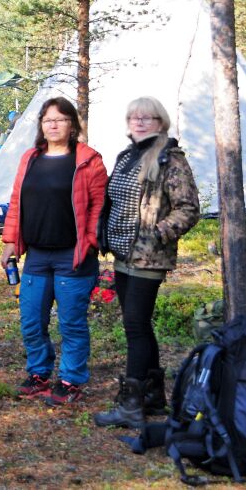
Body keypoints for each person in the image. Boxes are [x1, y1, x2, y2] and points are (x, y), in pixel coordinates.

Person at [94, 96, 200, 429]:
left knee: (135, 328)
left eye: (147, 117)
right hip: (123, 254)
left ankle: (130, 405)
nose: (139, 122)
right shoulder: (127, 156)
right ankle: (154, 397)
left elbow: (188, 208)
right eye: (133, 117)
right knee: (138, 325)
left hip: (148, 256)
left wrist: (158, 233)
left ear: (161, 122)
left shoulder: (170, 159)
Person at [0, 97, 107, 406]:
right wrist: (10, 242)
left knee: (71, 323)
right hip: (36, 255)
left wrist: (89, 242)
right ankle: (39, 374)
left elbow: (99, 207)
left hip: (73, 256)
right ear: (41, 125)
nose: (54, 124)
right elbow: (17, 202)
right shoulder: (30, 158)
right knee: (31, 320)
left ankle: (71, 379)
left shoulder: (88, 160)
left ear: (72, 124)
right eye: (48, 120)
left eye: (60, 119)